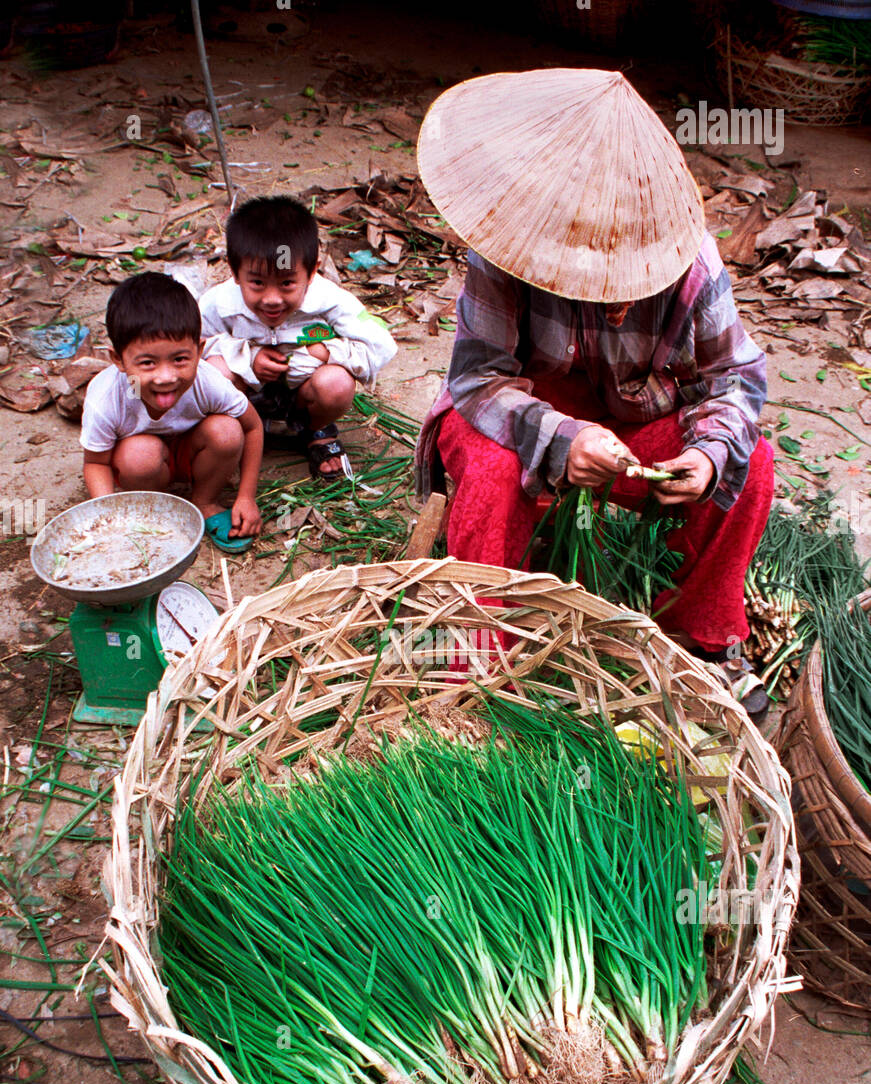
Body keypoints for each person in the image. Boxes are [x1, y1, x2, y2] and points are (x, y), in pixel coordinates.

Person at [414, 69, 774, 715]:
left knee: (751, 465)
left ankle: (699, 638)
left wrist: (707, 456)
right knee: (493, 471)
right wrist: (558, 437)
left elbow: (736, 380)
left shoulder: (690, 262)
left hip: (633, 420)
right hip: (522, 421)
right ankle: (482, 657)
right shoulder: (505, 248)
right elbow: (475, 382)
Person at [200, 195, 397, 479]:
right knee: (215, 371)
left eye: (287, 283)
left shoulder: (330, 301)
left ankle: (316, 429)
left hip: (304, 394)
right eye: (256, 283)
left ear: (312, 270)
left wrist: (326, 352)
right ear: (234, 271)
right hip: (246, 396)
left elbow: (381, 345)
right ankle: (240, 429)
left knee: (337, 384)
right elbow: (190, 349)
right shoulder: (218, 302)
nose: (271, 299)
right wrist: (247, 357)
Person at [80, 271, 263, 553]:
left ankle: (205, 502)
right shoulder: (105, 398)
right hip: (141, 466)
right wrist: (109, 517)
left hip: (192, 455)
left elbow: (252, 427)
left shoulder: (208, 381)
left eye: (179, 359)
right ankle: (156, 513)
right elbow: (96, 463)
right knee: (140, 455)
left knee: (227, 431)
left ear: (199, 351)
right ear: (117, 359)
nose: (165, 377)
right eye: (147, 363)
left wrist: (246, 497)